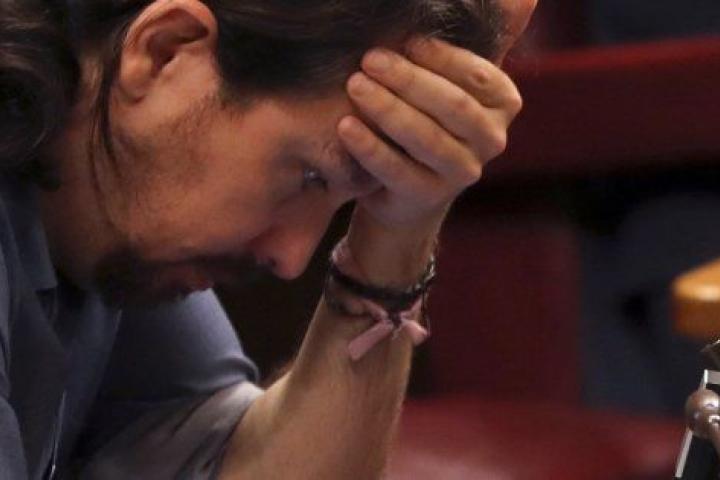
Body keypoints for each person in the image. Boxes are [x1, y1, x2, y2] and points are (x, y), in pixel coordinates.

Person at [0, 0, 535, 478]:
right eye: (309, 177)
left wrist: (397, 234)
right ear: (165, 51)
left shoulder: (115, 214)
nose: (291, 259)